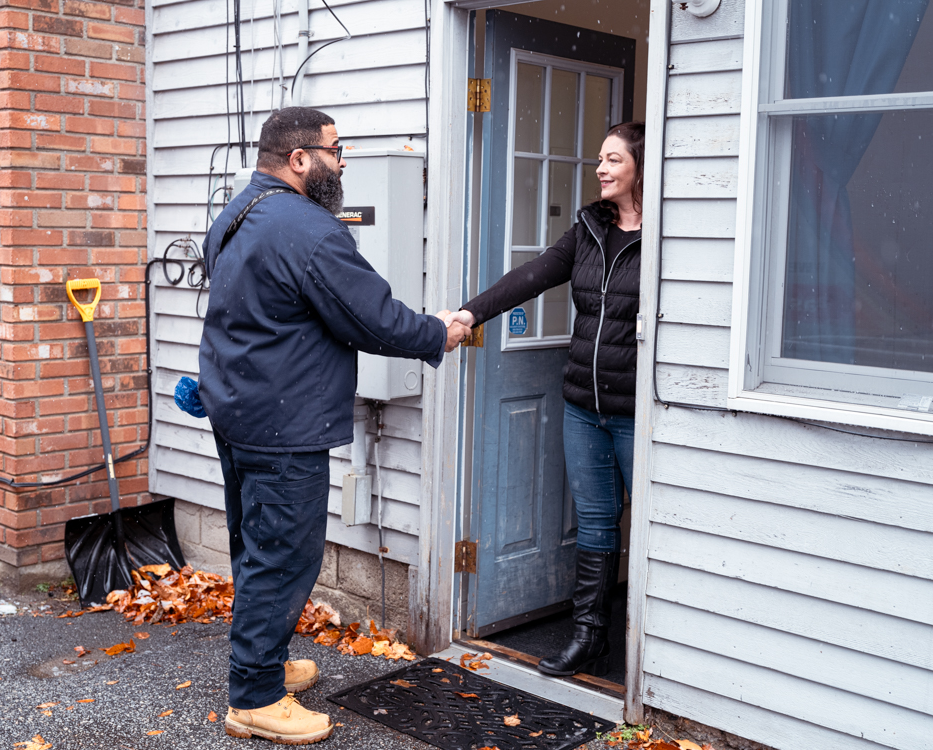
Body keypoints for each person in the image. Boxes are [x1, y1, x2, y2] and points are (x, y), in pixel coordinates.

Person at [198, 106, 471, 745]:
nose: (342, 161)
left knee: (255, 547)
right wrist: (439, 332)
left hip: (237, 412)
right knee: (284, 555)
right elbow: (371, 317)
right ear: (299, 159)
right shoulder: (310, 230)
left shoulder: (236, 214)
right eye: (335, 149)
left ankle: (258, 664)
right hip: (283, 426)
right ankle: (255, 697)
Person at [446, 122, 644, 678]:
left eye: (613, 160)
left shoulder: (665, 234)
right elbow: (531, 275)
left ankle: (655, 653)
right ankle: (588, 639)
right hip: (584, 406)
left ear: (640, 167)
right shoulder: (588, 228)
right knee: (597, 522)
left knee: (653, 524)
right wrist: (469, 312)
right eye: (599, 159)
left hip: (638, 415)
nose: (601, 169)